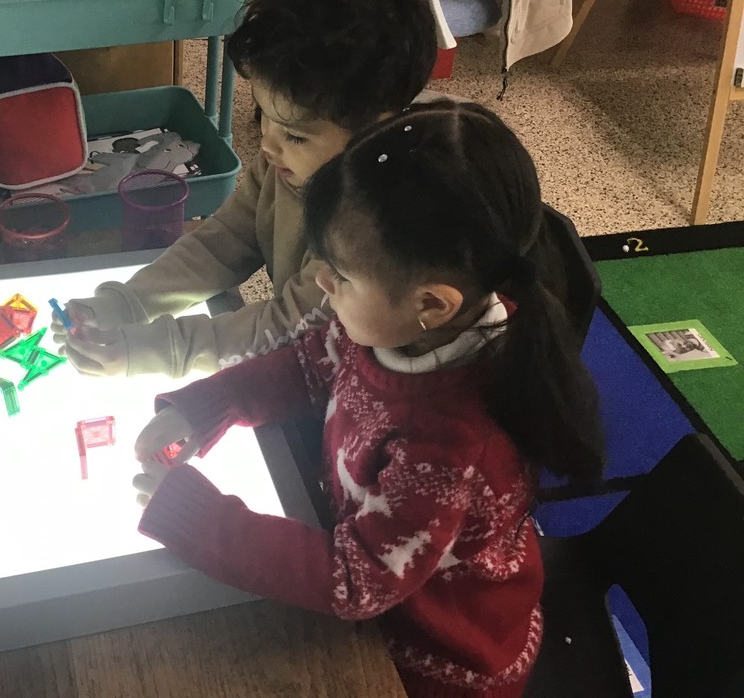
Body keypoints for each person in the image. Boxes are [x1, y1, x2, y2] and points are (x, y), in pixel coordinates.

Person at [131, 101, 605, 697]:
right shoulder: (390, 323)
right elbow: (309, 364)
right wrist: (206, 406)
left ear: (432, 304)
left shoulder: (453, 448)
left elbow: (355, 583)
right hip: (376, 569)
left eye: (341, 276)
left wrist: (199, 518)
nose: (322, 285)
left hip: (439, 658)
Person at [54, 0, 438, 377]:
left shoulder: (374, 227)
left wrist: (159, 350)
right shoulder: (295, 163)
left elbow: (290, 329)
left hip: (365, 382)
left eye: (295, 135)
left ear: (377, 130)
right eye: (262, 114)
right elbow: (223, 241)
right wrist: (126, 304)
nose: (268, 144)